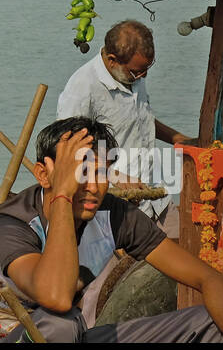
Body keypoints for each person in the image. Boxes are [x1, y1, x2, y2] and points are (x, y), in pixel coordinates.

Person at [0, 116, 223, 343]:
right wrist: (63, 196)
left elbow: (209, 279)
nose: (94, 187)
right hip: (10, 338)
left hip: (74, 336)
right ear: (43, 174)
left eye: (103, 172)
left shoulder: (114, 215)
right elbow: (56, 297)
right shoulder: (8, 224)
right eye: (80, 173)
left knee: (213, 321)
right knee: (62, 322)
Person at [57, 20, 191, 230]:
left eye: (147, 68)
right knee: (124, 262)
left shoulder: (132, 74)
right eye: (138, 72)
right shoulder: (83, 87)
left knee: (188, 249)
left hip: (155, 195)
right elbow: (68, 147)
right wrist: (115, 176)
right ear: (112, 60)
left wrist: (178, 138)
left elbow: (140, 118)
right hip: (116, 201)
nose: (143, 76)